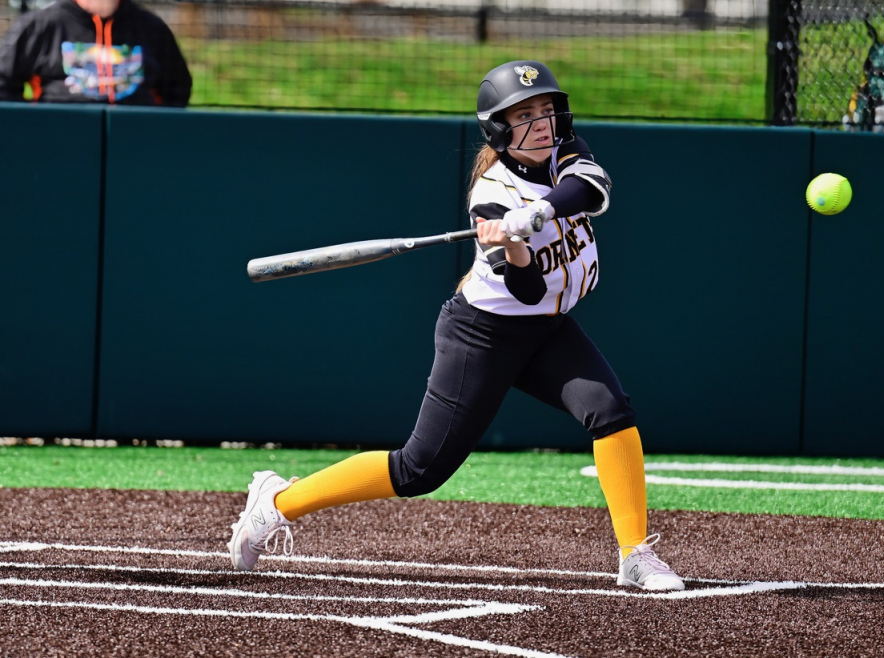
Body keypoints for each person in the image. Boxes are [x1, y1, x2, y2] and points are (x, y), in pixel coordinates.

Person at [227, 60, 686, 591]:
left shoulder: (568, 153)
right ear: (498, 129)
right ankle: (278, 503)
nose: (542, 123)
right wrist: (511, 241)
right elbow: (528, 289)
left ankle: (634, 553)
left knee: (610, 410)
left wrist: (536, 214)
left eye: (546, 110)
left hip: (548, 329)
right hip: (483, 336)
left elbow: (591, 190)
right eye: (524, 116)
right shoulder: (489, 197)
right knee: (419, 470)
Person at [0, 0, 191, 106]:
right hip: (57, 147)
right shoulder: (40, 25)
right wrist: (34, 123)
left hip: (135, 149)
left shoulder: (152, 28)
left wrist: (150, 127)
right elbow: (3, 83)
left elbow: (177, 90)